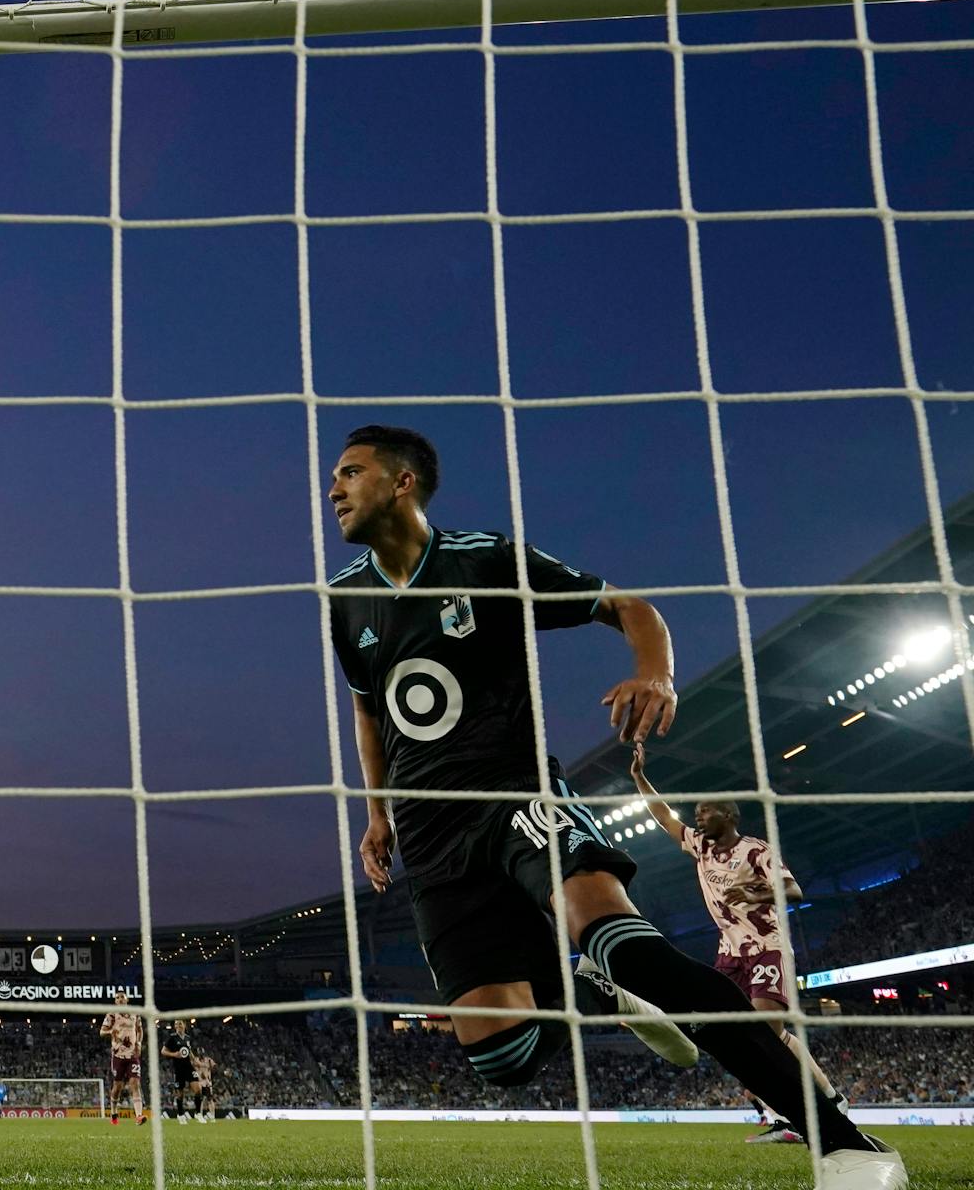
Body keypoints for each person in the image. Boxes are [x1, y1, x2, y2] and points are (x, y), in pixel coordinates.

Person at [328, 425, 904, 1188]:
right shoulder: (343, 599)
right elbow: (370, 715)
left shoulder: (489, 560)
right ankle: (600, 998)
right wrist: (377, 815)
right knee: (498, 1056)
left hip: (515, 790)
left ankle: (847, 1146)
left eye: (351, 472)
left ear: (402, 483)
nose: (333, 488)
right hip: (432, 835)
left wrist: (655, 673)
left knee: (620, 938)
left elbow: (630, 606)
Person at [632, 743, 847, 1143]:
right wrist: (640, 779)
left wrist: (756, 896)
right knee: (736, 1040)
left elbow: (794, 891)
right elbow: (664, 817)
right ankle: (785, 1114)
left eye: (706, 812)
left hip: (765, 946)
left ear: (728, 815)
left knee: (767, 1033)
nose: (698, 818)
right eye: (696, 813)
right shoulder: (700, 847)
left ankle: (831, 1102)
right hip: (729, 955)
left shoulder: (756, 851)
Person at [98, 992, 145, 1125]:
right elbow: (102, 1032)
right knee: (117, 1087)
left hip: (133, 1055)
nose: (119, 999)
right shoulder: (112, 1014)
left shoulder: (135, 1013)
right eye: (117, 998)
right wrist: (110, 1032)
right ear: (115, 1001)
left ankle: (139, 1116)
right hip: (118, 1055)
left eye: (122, 997)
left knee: (135, 1084)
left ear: (127, 1000)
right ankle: (113, 1114)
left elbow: (140, 1030)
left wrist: (139, 1043)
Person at [160, 1019, 194, 1122]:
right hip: (178, 1068)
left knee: (197, 1088)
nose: (177, 1026)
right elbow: (163, 1051)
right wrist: (174, 1054)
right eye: (175, 1024)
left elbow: (189, 1051)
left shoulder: (188, 1038)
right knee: (180, 1093)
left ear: (184, 1025)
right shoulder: (172, 1037)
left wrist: (195, 1060)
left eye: (180, 1024)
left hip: (189, 1067)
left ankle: (199, 1113)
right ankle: (180, 1114)